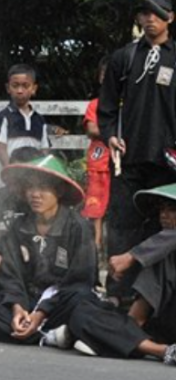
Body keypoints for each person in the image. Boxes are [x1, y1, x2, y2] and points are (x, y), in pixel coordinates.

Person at [0, 155, 98, 344]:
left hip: (59, 303)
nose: (35, 194)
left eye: (43, 188)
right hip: (28, 299)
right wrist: (18, 308)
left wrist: (41, 313)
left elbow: (80, 281)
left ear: (58, 191)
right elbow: (11, 274)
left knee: (80, 298)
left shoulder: (78, 227)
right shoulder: (19, 225)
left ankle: (36, 330)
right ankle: (46, 336)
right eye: (31, 188)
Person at [97, 0, 176, 305]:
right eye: (144, 12)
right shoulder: (123, 58)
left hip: (168, 162)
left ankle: (154, 299)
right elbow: (106, 108)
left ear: (170, 16)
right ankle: (118, 294)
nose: (150, 18)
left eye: (157, 12)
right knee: (122, 223)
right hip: (128, 159)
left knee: (165, 227)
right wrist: (109, 135)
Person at [64, 183, 176, 364]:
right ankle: (158, 349)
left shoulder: (157, 249)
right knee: (82, 312)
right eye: (162, 209)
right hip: (158, 327)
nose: (164, 215)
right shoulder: (155, 243)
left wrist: (131, 256)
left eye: (172, 210)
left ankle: (122, 337)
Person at [0, 147, 42, 289]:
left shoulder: (44, 197)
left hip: (37, 258)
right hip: (4, 255)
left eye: (25, 172)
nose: (19, 178)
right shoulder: (0, 196)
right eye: (15, 171)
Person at [0, 64, 62, 167]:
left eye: (25, 86)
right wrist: (9, 170)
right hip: (13, 173)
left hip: (34, 175)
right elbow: (1, 148)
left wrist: (42, 170)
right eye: (15, 85)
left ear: (34, 88)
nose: (20, 91)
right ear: (8, 88)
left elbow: (44, 149)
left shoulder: (39, 120)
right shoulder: (3, 117)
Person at [81, 57, 111, 251]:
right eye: (104, 74)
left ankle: (114, 254)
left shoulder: (132, 104)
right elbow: (92, 130)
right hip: (98, 167)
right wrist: (117, 133)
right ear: (100, 77)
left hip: (122, 167)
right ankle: (93, 253)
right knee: (95, 213)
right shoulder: (95, 104)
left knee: (119, 214)